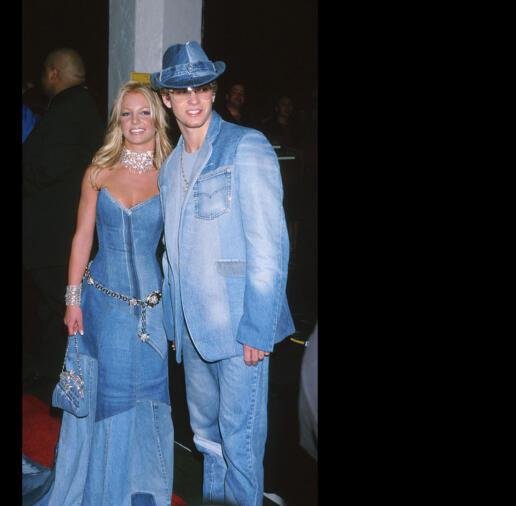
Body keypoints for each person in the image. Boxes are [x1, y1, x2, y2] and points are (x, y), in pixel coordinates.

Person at [151, 41, 295, 506]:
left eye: (202, 87)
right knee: (205, 438)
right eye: (182, 89)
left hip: (240, 332)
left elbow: (270, 248)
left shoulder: (245, 146)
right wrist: (175, 325)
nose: (193, 98)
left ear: (213, 93)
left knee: (241, 444)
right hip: (192, 333)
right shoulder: (170, 169)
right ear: (167, 99)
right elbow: (172, 255)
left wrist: (259, 326)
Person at [22, 80, 176, 506]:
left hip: (150, 309)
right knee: (106, 396)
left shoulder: (173, 172)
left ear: (157, 117)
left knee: (144, 396)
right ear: (117, 121)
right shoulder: (99, 170)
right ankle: (102, 490)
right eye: (126, 114)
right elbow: (81, 238)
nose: (135, 121)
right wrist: (72, 302)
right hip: (101, 304)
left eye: (144, 112)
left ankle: (138, 488)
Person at [22, 48, 104, 384]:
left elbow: (44, 169)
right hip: (64, 234)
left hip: (56, 239)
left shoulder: (68, 111)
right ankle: (50, 376)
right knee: (52, 311)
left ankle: (67, 379)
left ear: (53, 73)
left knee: (64, 311)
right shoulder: (84, 107)